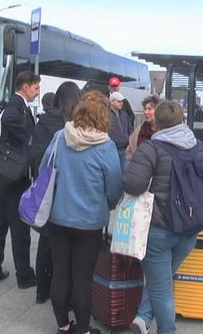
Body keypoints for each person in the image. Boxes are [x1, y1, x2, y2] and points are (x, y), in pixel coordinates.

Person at [123, 100, 203, 334]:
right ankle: (143, 316)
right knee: (163, 280)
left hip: (158, 230)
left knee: (162, 288)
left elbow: (134, 184)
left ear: (157, 123)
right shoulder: (199, 147)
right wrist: (196, 209)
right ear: (182, 121)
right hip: (189, 231)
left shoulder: (151, 148)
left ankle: (167, 330)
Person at [42, 91, 122, 334]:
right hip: (89, 222)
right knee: (82, 278)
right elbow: (114, 186)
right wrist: (105, 205)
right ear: (103, 117)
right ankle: (85, 330)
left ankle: (63, 327)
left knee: (61, 273)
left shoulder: (59, 137)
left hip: (58, 218)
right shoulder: (106, 146)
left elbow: (44, 169)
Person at [0, 71, 40, 288]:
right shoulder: (16, 106)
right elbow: (10, 121)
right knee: (19, 226)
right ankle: (24, 275)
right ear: (25, 87)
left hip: (5, 175)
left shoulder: (18, 105)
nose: (37, 92)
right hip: (14, 176)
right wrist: (29, 137)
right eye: (35, 88)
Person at [29, 82, 82, 305]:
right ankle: (66, 296)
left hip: (46, 189)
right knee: (67, 249)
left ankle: (42, 289)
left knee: (45, 239)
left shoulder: (43, 121)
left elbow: (36, 157)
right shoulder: (72, 126)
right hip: (68, 192)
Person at [125, 94, 160, 161]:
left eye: (149, 109)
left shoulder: (163, 131)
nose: (145, 112)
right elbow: (129, 151)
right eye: (145, 109)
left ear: (158, 111)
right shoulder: (139, 130)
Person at [108, 91, 133, 172]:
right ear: (112, 102)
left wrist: (129, 140)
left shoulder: (124, 114)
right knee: (113, 173)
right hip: (111, 151)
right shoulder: (106, 115)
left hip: (124, 150)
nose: (121, 103)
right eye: (119, 101)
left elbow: (130, 129)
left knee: (125, 173)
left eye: (122, 101)